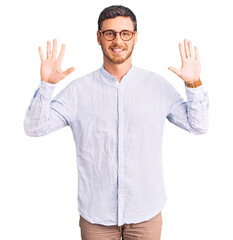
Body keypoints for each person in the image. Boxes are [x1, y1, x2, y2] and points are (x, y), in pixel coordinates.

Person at [24, 5, 209, 240]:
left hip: (145, 212)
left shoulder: (157, 86)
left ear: (135, 37)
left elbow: (199, 126)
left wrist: (194, 84)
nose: (117, 40)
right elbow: (34, 128)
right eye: (110, 33)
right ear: (99, 37)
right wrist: (47, 85)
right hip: (96, 216)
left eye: (125, 33)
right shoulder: (78, 91)